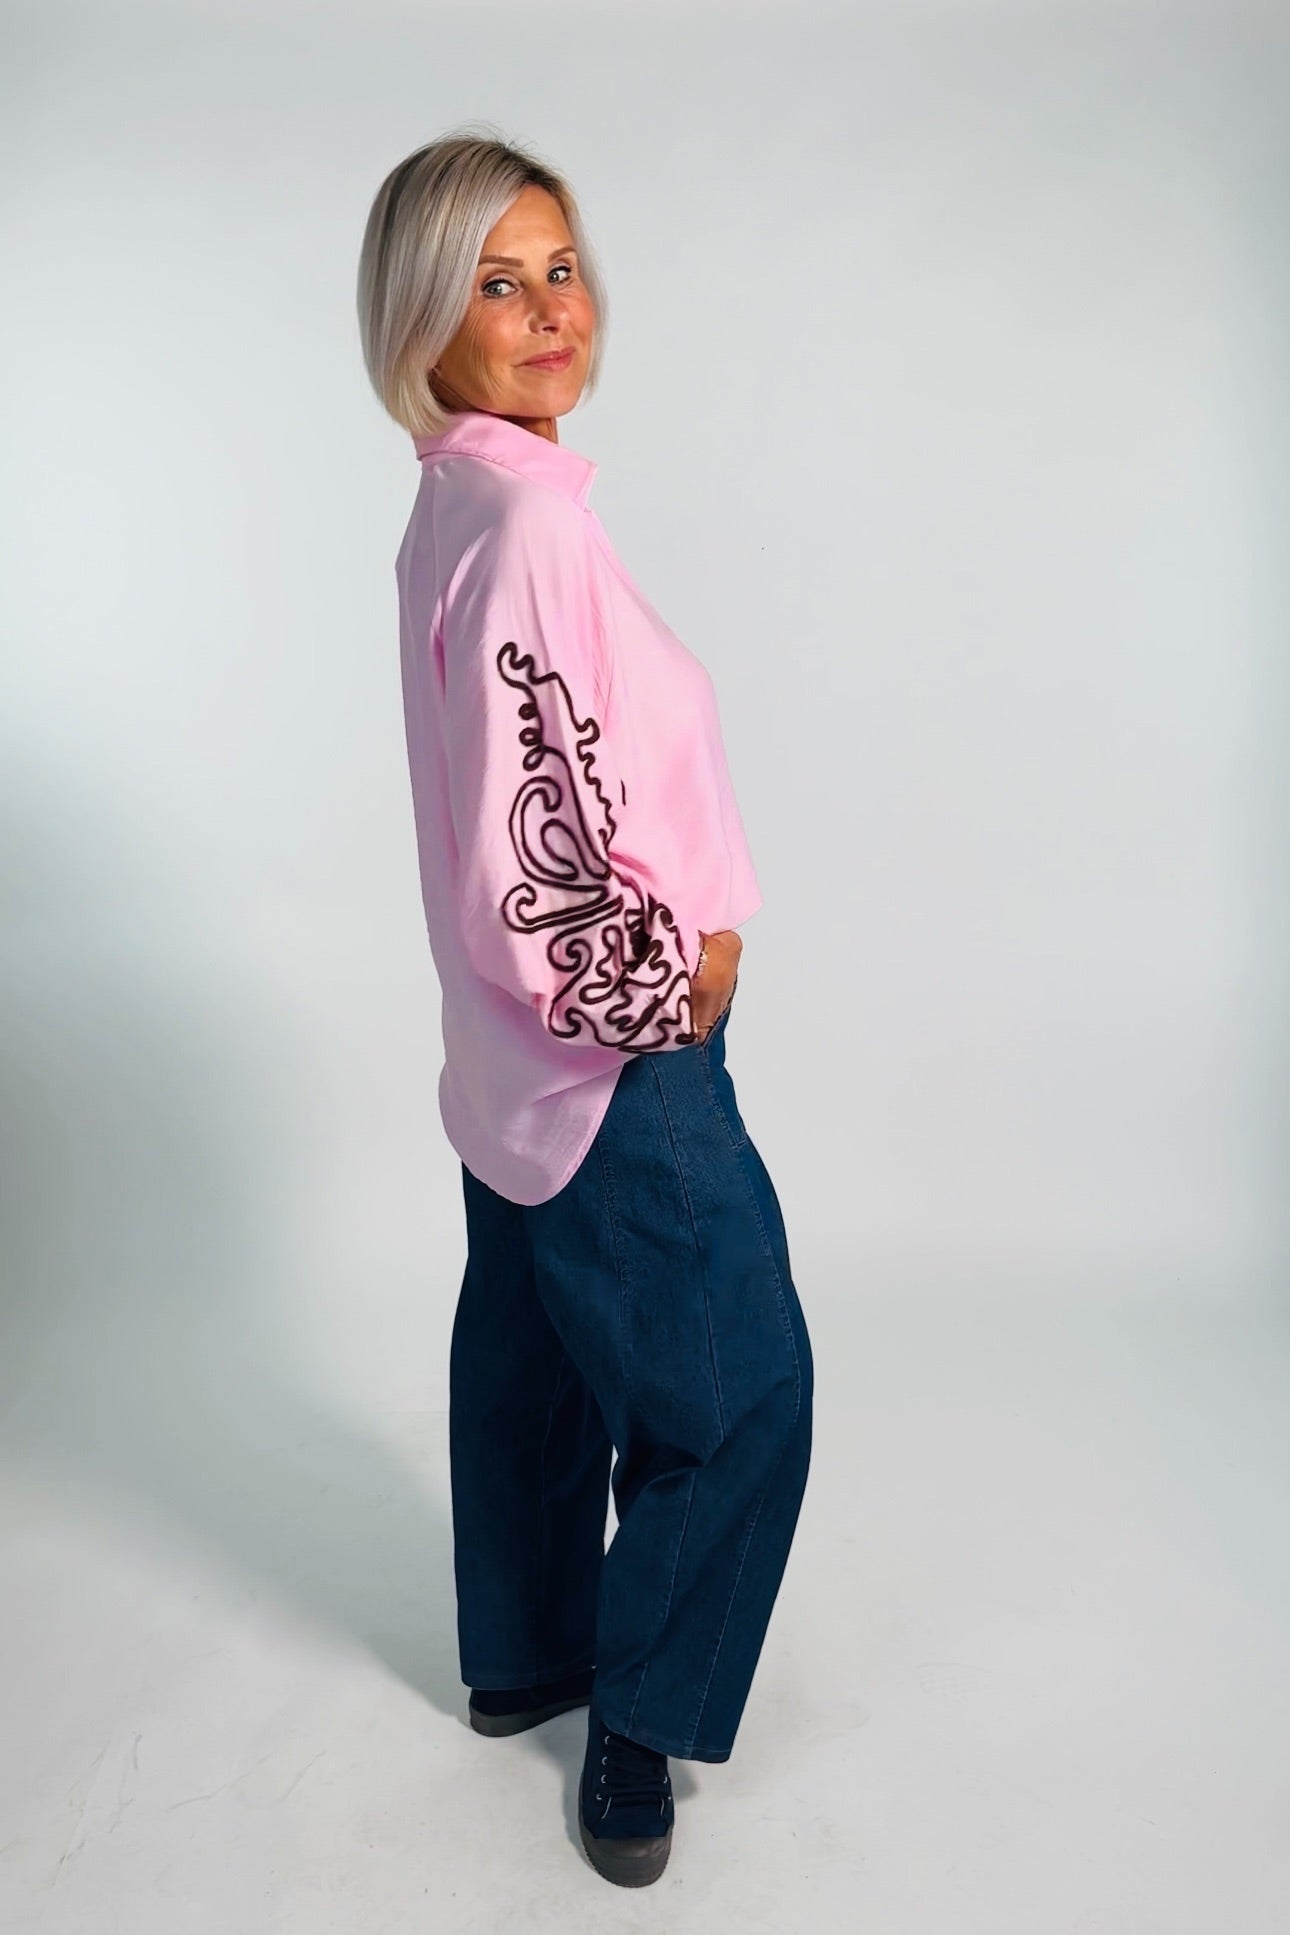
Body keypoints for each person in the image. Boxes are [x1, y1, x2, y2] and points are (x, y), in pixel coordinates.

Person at [356, 128, 813, 1890]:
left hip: (504, 1060)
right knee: (738, 1393)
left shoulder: (458, 503)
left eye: (559, 269)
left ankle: (528, 1654)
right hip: (608, 1052)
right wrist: (661, 994)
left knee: (538, 1357)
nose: (550, 308)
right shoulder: (527, 523)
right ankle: (637, 1716)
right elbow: (531, 836)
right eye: (497, 282)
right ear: (424, 320)